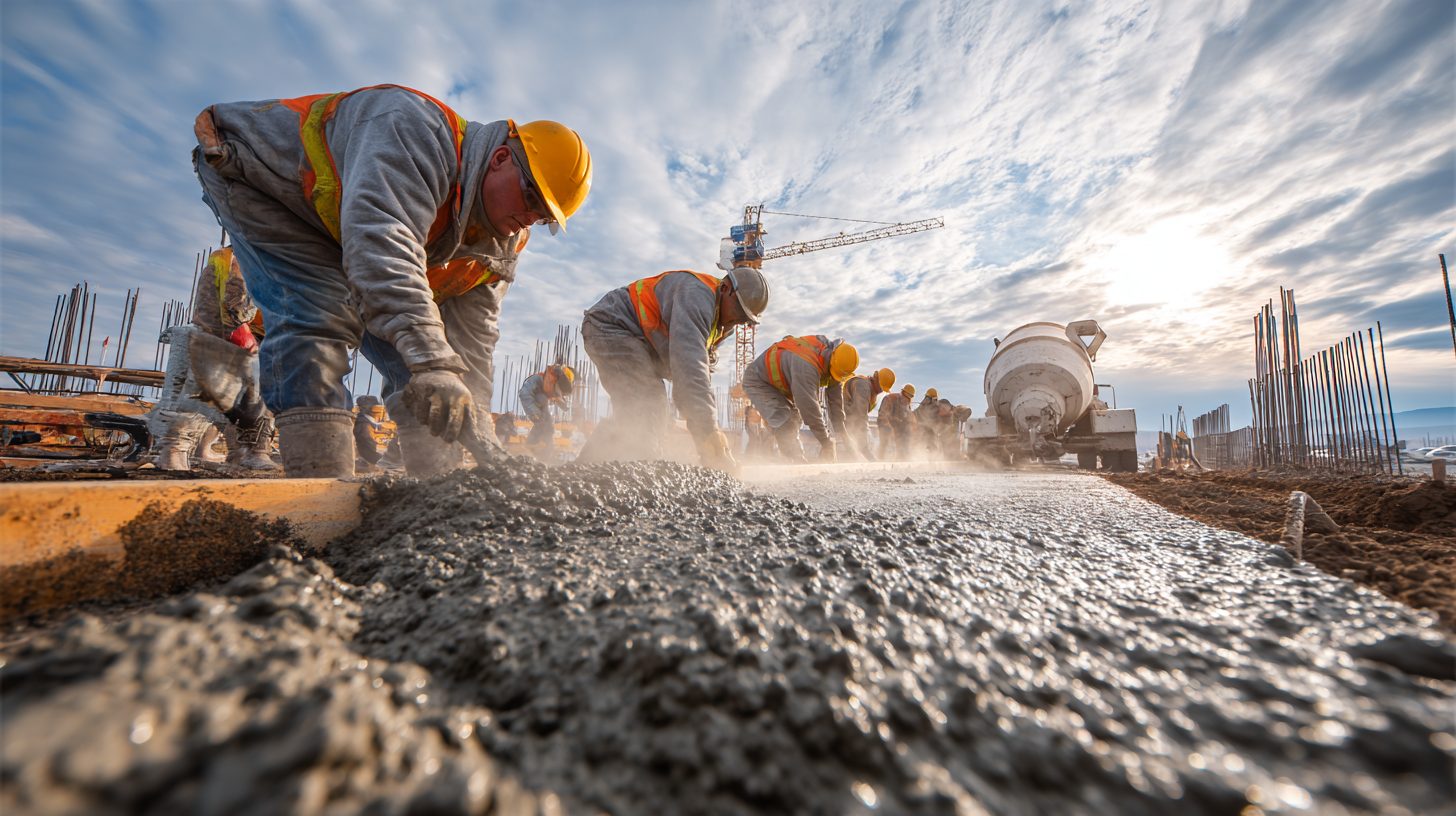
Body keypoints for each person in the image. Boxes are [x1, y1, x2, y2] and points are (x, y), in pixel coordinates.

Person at [191, 84, 592, 477]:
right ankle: (319, 494)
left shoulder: (503, 245)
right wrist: (433, 362)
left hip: (342, 225)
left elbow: (474, 343)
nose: (532, 218)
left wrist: (476, 420)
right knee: (317, 314)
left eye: (544, 217)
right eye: (532, 198)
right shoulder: (414, 130)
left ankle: (437, 494)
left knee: (426, 371)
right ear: (501, 158)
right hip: (269, 181)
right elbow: (382, 243)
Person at [578, 267, 769, 471]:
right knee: (648, 401)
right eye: (739, 310)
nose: (739, 321)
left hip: (638, 339)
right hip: (611, 324)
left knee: (634, 412)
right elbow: (690, 370)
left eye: (746, 319)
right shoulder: (697, 296)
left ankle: (586, 468)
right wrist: (708, 434)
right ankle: (638, 472)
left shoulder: (721, 325)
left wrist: (703, 419)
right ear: (725, 288)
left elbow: (699, 374)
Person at [151, 247, 276, 471]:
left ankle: (239, 452)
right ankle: (248, 452)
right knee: (213, 395)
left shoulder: (232, 256)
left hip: (221, 332)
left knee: (221, 399)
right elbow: (237, 307)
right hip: (228, 334)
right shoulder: (241, 258)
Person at [742, 335, 858, 463]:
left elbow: (835, 403)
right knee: (784, 419)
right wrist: (826, 441)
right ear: (832, 361)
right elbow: (809, 409)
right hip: (758, 381)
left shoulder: (834, 360)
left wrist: (844, 434)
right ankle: (795, 461)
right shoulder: (806, 365)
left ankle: (795, 458)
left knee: (794, 417)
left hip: (778, 384)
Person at [832, 367, 894, 460]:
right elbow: (860, 416)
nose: (881, 391)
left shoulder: (871, 391)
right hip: (840, 422)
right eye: (881, 387)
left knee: (854, 450)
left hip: (847, 423)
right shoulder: (863, 386)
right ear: (876, 379)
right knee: (846, 454)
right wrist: (864, 448)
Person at [518, 363, 575, 451]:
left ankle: (547, 449)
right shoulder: (536, 380)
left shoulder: (555, 383)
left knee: (549, 427)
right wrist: (534, 413)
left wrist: (565, 406)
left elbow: (559, 398)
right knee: (541, 421)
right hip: (535, 405)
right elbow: (524, 394)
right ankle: (531, 445)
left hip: (542, 405)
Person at [876, 383, 916, 460]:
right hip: (885, 424)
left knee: (904, 438)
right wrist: (890, 430)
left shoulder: (907, 404)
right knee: (885, 441)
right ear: (902, 393)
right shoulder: (890, 398)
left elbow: (909, 420)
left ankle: (902, 458)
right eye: (906, 397)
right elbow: (883, 416)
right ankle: (881, 459)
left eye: (909, 398)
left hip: (897, 426)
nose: (906, 399)